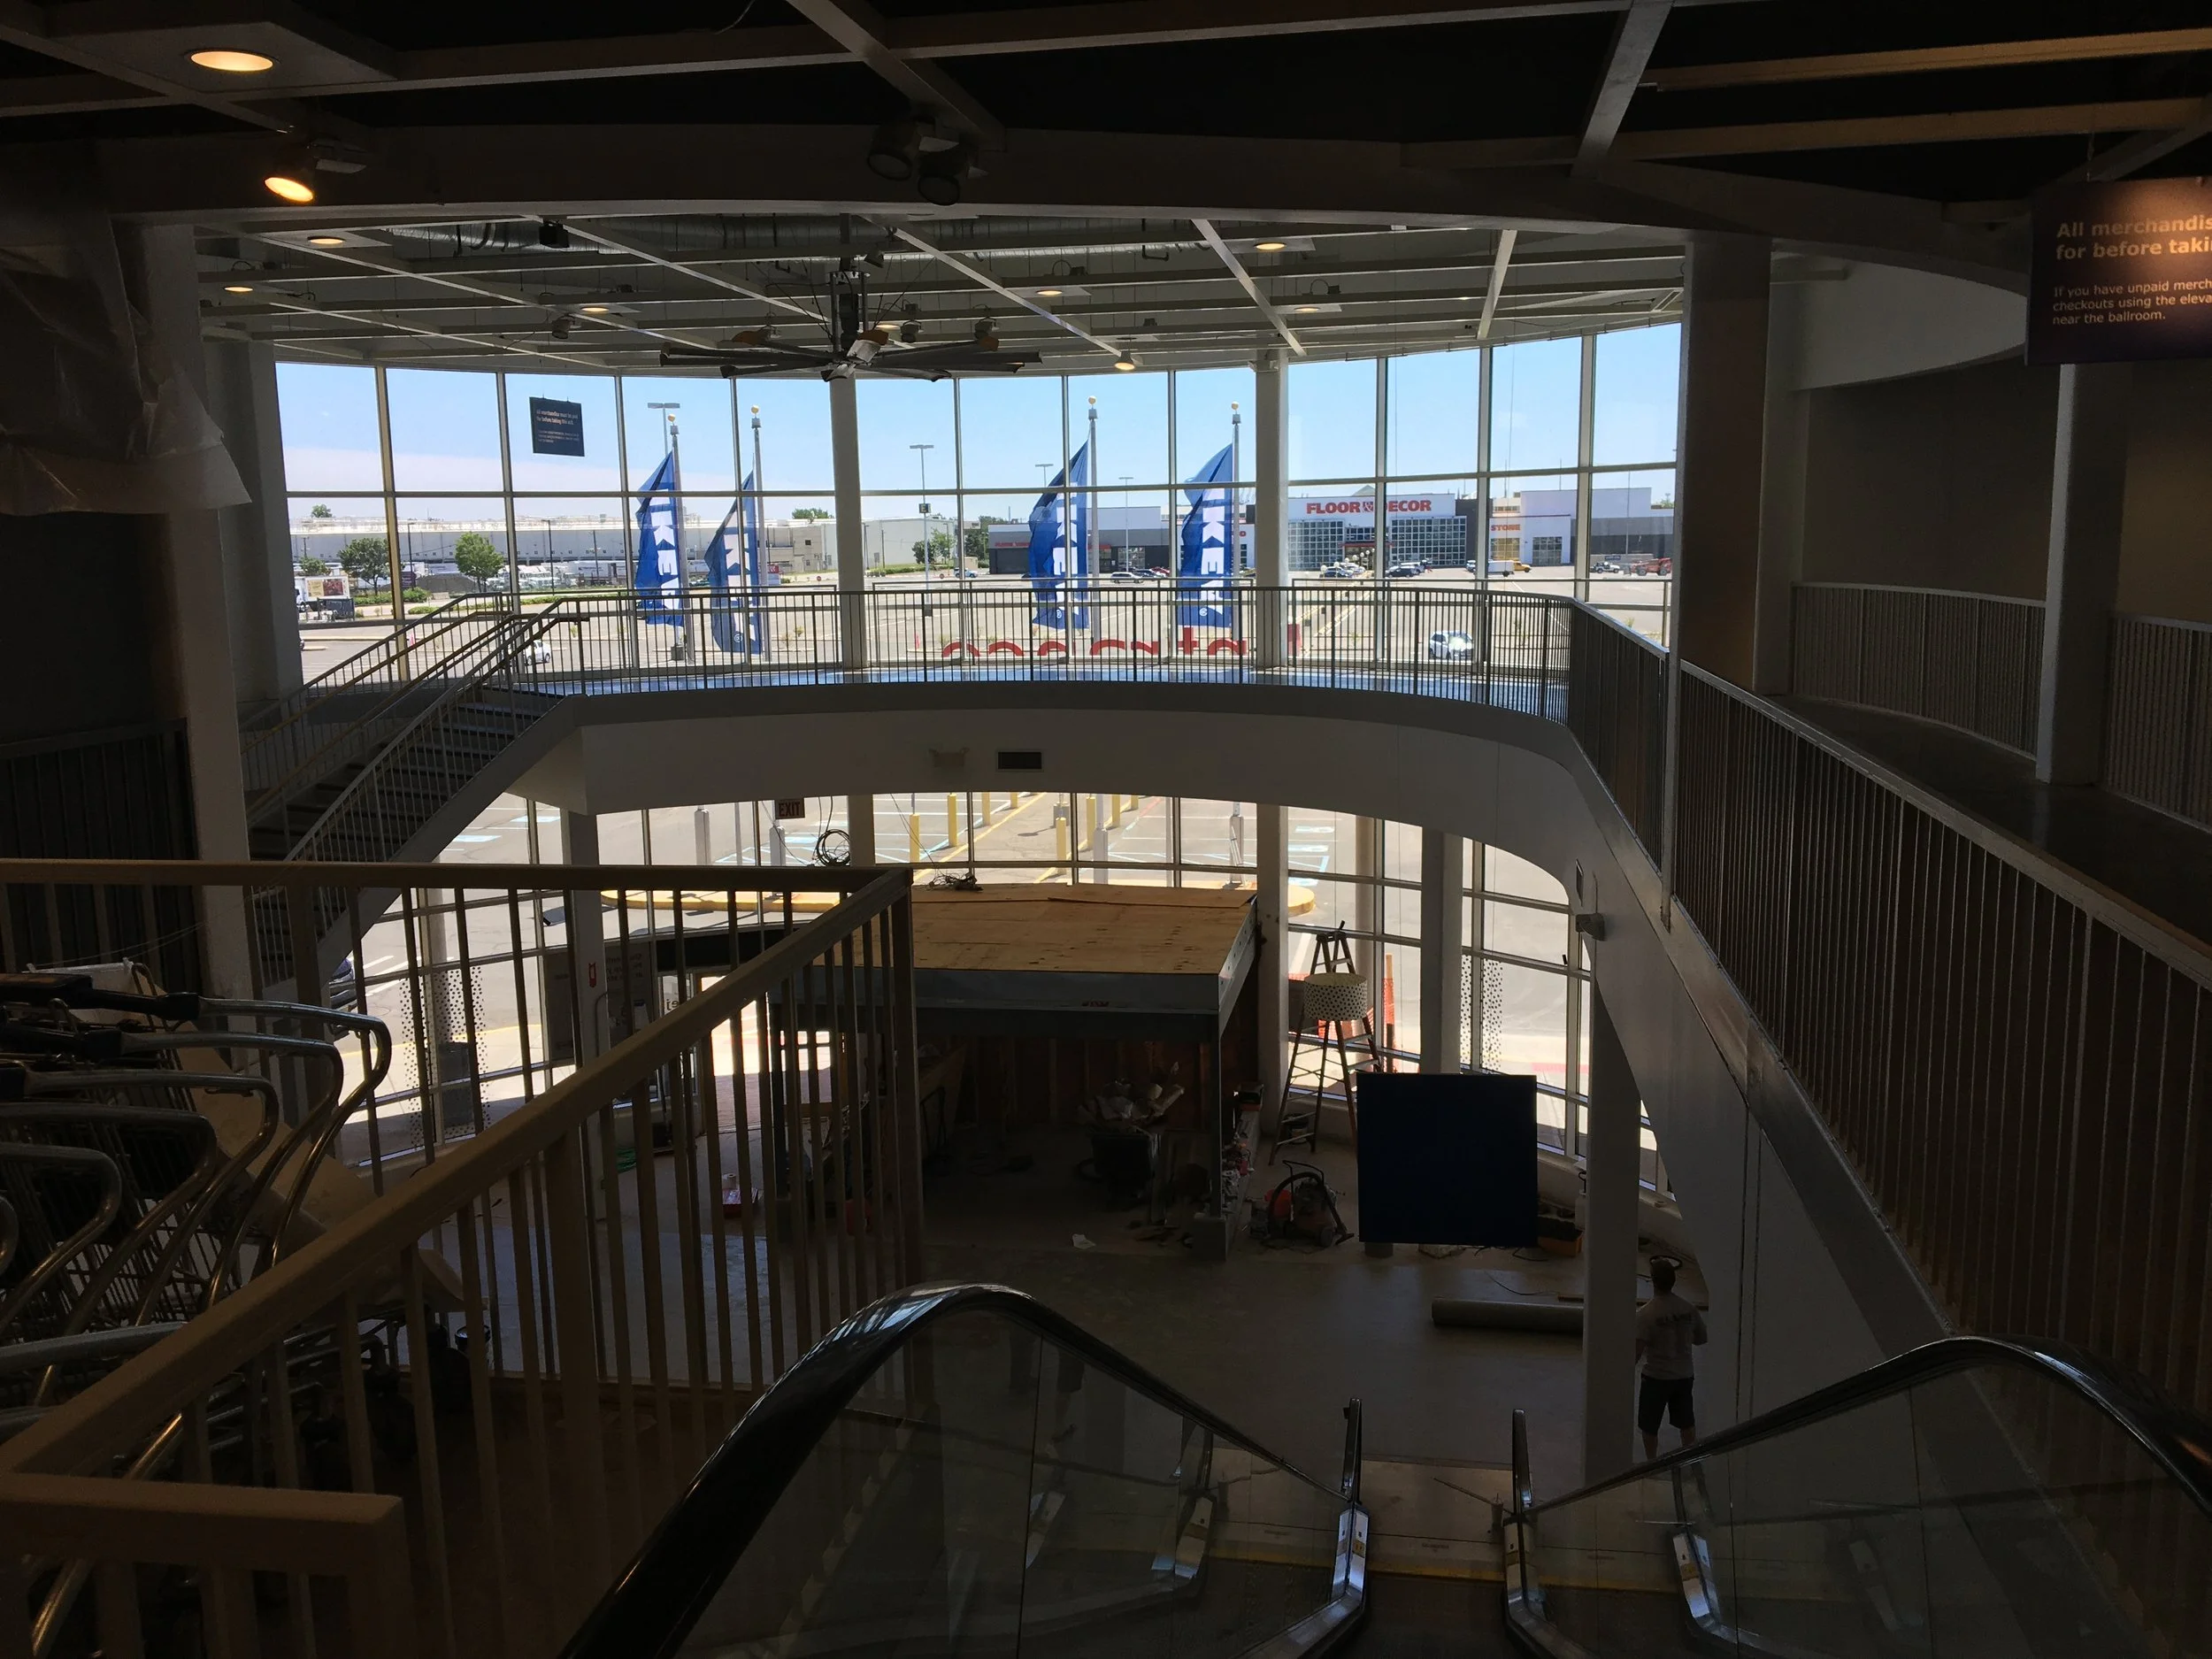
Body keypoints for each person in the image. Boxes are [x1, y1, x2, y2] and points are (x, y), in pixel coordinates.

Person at [1634, 1256, 1707, 1459]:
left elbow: (1636, 1353)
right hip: (1684, 1375)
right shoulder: (1689, 1309)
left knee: (1650, 1426)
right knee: (1686, 1423)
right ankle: (1691, 1460)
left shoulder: (1645, 1315)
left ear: (1653, 1280)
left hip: (1656, 1377)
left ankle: (1652, 1462)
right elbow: (1701, 1339)